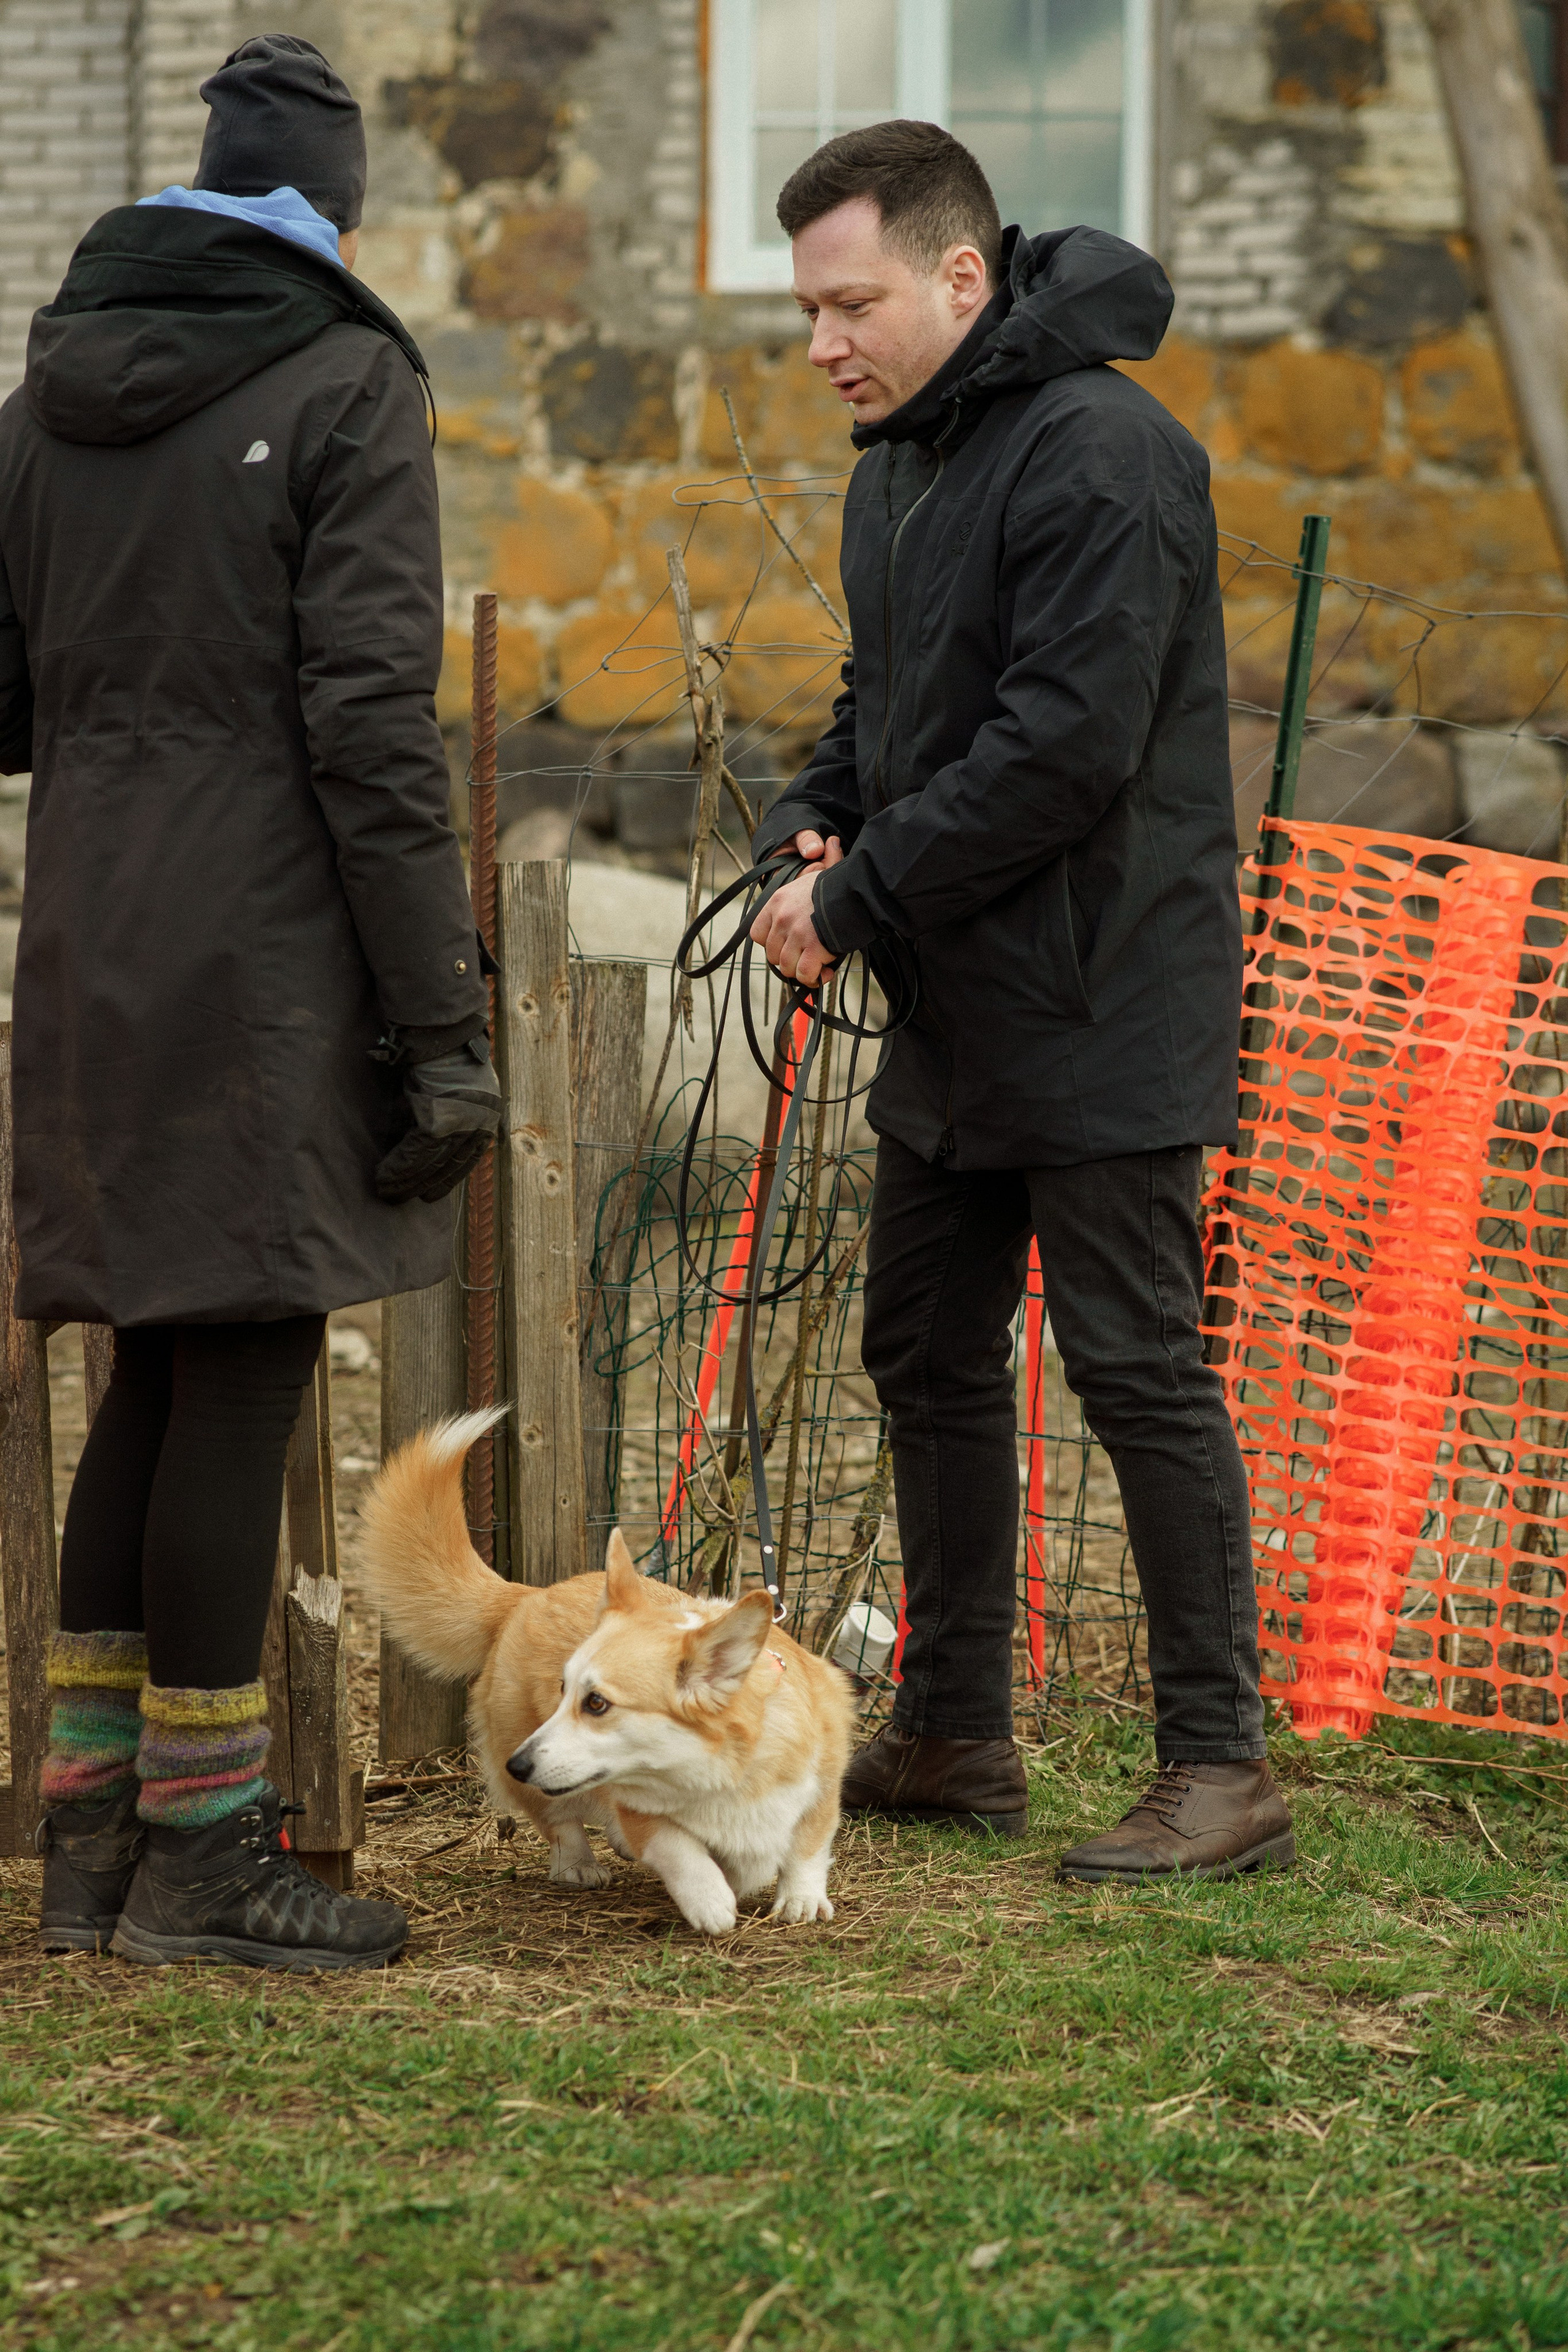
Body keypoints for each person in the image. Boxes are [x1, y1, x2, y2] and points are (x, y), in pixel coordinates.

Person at [0, 35, 503, 1967]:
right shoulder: (349, 374)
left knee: (152, 1363)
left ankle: (90, 1850)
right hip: (267, 949)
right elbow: (374, 729)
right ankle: (203, 1863)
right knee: (244, 1374)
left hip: (93, 936)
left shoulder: (44, 402)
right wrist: (439, 1021)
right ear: (333, 213)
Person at [748, 122, 1294, 1883]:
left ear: (962, 277)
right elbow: (885, 697)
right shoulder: (896, 463)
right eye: (811, 309)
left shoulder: (1108, 453)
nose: (824, 342)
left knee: (1134, 1362)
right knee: (921, 1344)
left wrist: (857, 894)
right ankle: (960, 1732)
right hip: (961, 999)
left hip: (1109, 989)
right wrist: (810, 816)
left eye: (854, 301)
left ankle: (1223, 1770)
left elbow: (1064, 748)